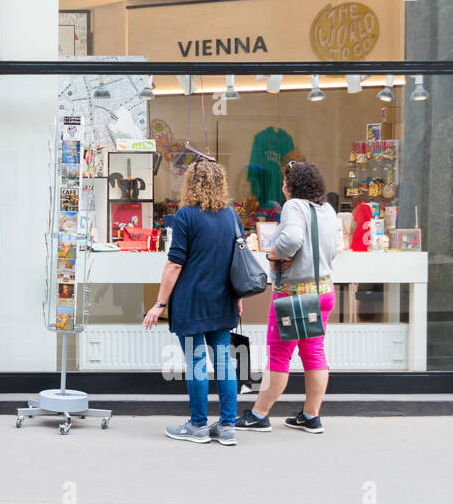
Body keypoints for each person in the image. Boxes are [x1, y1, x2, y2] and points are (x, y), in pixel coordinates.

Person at [237, 161, 342, 434]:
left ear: (291, 185)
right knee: (314, 353)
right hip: (322, 290)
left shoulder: (294, 206)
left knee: (279, 356)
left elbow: (292, 238)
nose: (283, 186)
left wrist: (274, 253)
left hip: (294, 295)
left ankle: (259, 414)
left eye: (285, 182)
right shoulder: (327, 210)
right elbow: (336, 247)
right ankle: (311, 415)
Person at [143, 159, 241, 446]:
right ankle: (227, 426)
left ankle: (198, 425)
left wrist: (159, 304)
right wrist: (237, 298)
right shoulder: (231, 215)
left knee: (197, 361)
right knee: (223, 361)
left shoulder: (185, 215)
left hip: (192, 302)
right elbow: (237, 260)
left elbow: (175, 264)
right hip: (223, 299)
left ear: (191, 184)